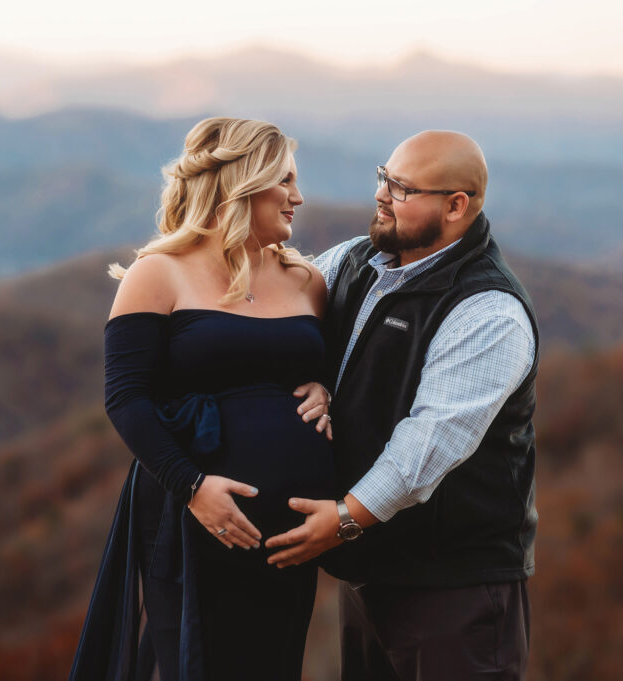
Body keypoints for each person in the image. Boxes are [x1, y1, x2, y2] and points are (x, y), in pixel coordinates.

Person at [264, 131, 540, 680]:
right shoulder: (357, 261)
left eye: (403, 188)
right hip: (371, 572)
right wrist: (312, 376)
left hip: (453, 588)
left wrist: (343, 520)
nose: (382, 195)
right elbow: (281, 304)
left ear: (456, 206)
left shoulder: (488, 311)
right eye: (383, 177)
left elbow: (429, 444)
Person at [67, 117, 335, 681]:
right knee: (195, 664)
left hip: (290, 536)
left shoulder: (308, 280)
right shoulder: (157, 274)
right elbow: (126, 399)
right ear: (242, 182)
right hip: (192, 517)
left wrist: (328, 389)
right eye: (284, 181)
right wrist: (192, 488)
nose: (298, 197)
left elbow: (336, 368)